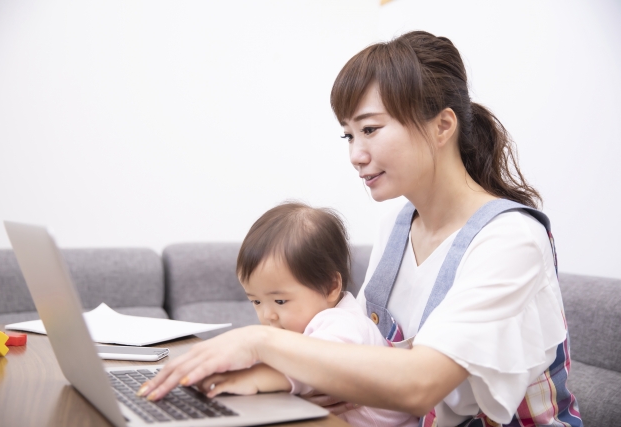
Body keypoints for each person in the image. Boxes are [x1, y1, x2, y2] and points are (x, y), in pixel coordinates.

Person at [138, 31, 582, 426]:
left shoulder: (510, 240)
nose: (356, 155)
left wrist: (259, 342)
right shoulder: (396, 224)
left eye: (370, 129)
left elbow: (420, 385)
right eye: (349, 135)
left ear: (442, 126)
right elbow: (366, 356)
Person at [173, 201, 418, 427]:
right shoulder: (306, 327)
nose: (268, 315)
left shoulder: (342, 323)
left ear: (330, 287)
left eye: (280, 301)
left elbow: (317, 364)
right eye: (256, 301)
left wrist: (252, 378)